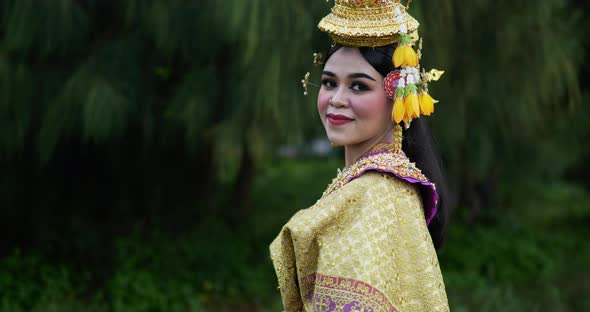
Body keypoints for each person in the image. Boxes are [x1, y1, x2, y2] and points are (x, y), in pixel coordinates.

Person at [270, 1, 449, 311]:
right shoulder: (380, 188)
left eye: (358, 86)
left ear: (399, 97)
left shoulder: (375, 196)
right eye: (328, 83)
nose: (337, 100)